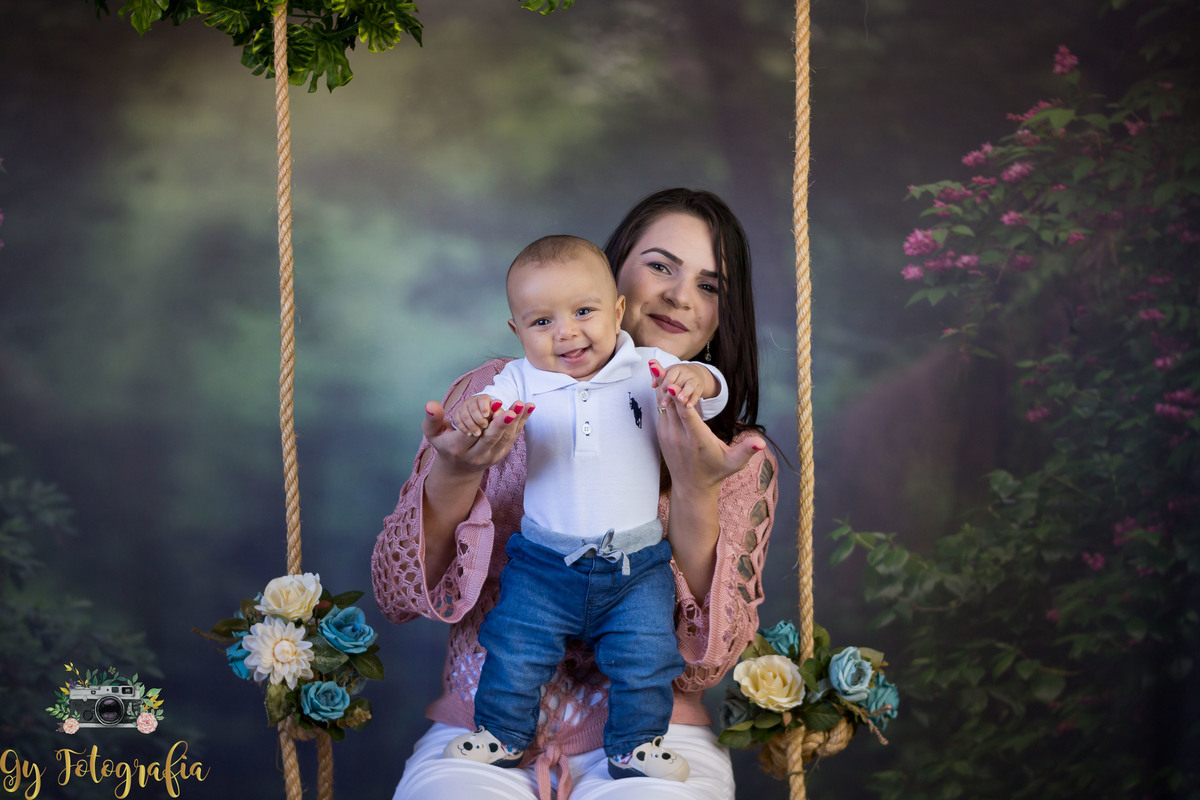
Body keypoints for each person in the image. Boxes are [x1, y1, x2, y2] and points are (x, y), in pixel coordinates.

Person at [372, 188, 778, 800]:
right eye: (661, 266)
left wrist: (695, 488)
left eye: (710, 286)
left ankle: (631, 746)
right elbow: (399, 596)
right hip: (481, 724)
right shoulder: (499, 394)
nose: (679, 295)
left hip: (657, 732)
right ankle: (500, 729)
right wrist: (456, 472)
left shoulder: (735, 455)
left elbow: (706, 662)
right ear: (617, 275)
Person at [443, 234, 727, 783]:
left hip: (636, 565)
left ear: (617, 311)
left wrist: (697, 378)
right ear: (517, 332)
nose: (567, 332)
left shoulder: (647, 366)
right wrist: (479, 411)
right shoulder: (522, 378)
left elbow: (713, 390)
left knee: (647, 656)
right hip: (543, 564)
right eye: (541, 322)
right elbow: (490, 407)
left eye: (583, 312)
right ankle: (502, 734)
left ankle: (634, 746)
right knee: (514, 647)